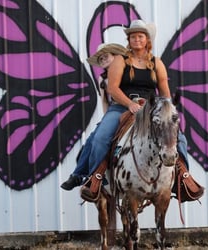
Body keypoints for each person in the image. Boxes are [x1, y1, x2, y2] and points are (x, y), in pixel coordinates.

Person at [61, 19, 191, 198]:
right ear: (128, 40)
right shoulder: (120, 61)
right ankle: (95, 180)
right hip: (122, 106)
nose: (137, 39)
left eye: (140, 36)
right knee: (100, 138)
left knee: (179, 138)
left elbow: (165, 92)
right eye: (133, 36)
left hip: (150, 108)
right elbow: (113, 88)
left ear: (147, 40)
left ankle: (183, 179)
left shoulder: (157, 63)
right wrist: (129, 104)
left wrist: (168, 110)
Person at [61, 43, 127, 190]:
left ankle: (178, 175)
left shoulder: (126, 72)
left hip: (131, 107)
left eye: (106, 56)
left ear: (116, 56)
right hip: (115, 110)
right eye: (101, 59)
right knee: (93, 139)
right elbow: (104, 101)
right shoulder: (102, 80)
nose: (103, 60)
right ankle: (80, 175)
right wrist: (105, 120)